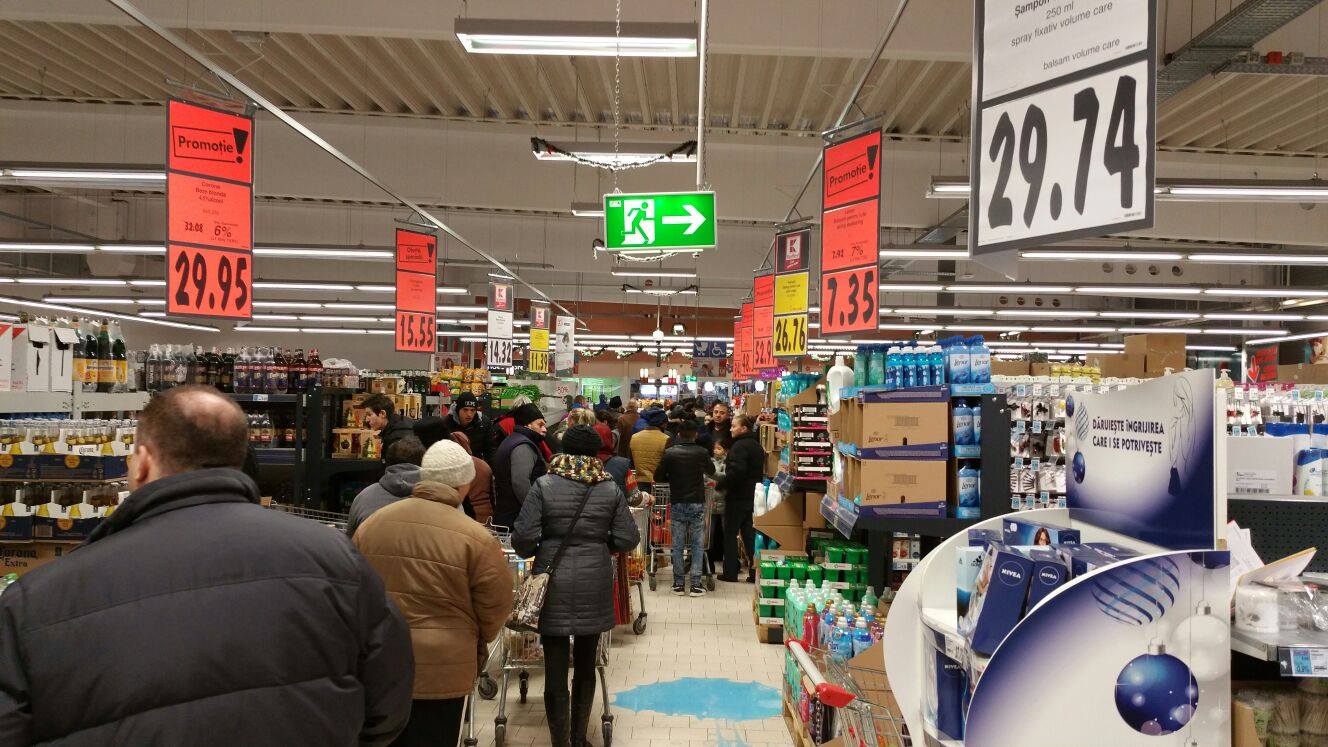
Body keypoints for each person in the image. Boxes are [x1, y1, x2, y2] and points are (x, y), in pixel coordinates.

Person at [0, 386, 413, 745]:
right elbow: (389, 697)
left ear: (141, 462)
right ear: (240, 457)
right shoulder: (337, 561)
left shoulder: (36, 600)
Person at [355, 439, 514, 747]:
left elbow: (354, 592)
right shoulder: (475, 538)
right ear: (465, 484)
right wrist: (474, 637)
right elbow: (497, 603)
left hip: (381, 662)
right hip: (445, 667)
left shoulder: (372, 526)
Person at [512, 426, 640, 747]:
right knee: (586, 664)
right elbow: (628, 538)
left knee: (554, 666)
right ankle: (580, 738)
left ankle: (560, 741)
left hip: (552, 580)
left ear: (562, 450)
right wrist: (599, 542)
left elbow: (523, 539)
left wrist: (544, 545)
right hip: (593, 580)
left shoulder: (544, 485)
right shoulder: (608, 488)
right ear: (597, 454)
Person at [654, 420, 715, 596]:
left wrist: (671, 477)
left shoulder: (670, 453)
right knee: (697, 545)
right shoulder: (702, 452)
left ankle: (678, 584)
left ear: (679, 435)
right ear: (696, 435)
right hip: (697, 502)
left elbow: (658, 476)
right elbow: (711, 471)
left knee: (678, 545)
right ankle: (695, 584)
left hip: (677, 501)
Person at [716, 413, 766, 583]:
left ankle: (730, 573)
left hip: (737, 496)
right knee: (750, 535)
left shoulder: (739, 447)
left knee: (730, 534)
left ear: (743, 428)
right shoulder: (756, 445)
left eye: (734, 426)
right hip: (753, 495)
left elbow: (736, 473)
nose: (731, 429)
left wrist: (722, 484)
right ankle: (755, 573)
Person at [347, 435, 426, 537]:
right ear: (424, 463)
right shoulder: (436, 501)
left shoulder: (363, 497)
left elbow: (350, 539)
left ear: (387, 462)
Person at [492, 402, 550, 527]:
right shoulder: (523, 446)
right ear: (527, 425)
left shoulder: (515, 439)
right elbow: (520, 483)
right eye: (540, 425)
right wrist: (535, 511)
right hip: (515, 517)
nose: (544, 429)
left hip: (509, 513)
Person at [451, 431, 495, 526]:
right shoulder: (483, 464)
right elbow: (493, 495)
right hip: (488, 516)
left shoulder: (454, 467)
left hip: (468, 518)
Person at [629, 407, 670, 494]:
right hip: (658, 485)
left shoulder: (634, 437)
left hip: (639, 482)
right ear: (663, 424)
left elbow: (631, 462)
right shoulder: (666, 439)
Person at [445, 391, 492, 461]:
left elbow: (490, 450)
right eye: (465, 410)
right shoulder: (445, 423)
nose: (469, 414)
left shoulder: (483, 423)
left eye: (472, 410)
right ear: (458, 410)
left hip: (475, 463)